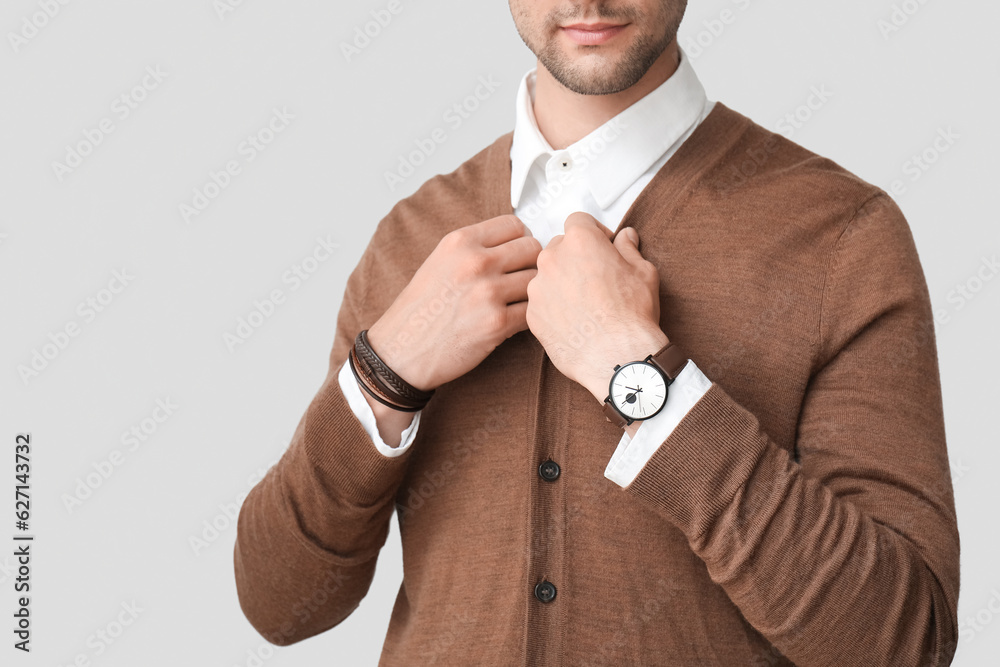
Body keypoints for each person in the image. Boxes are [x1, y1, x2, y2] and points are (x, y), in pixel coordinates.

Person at [234, 2, 961, 665]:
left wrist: (644, 380)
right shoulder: (410, 238)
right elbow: (279, 603)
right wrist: (384, 373)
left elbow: (903, 641)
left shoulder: (840, 238)